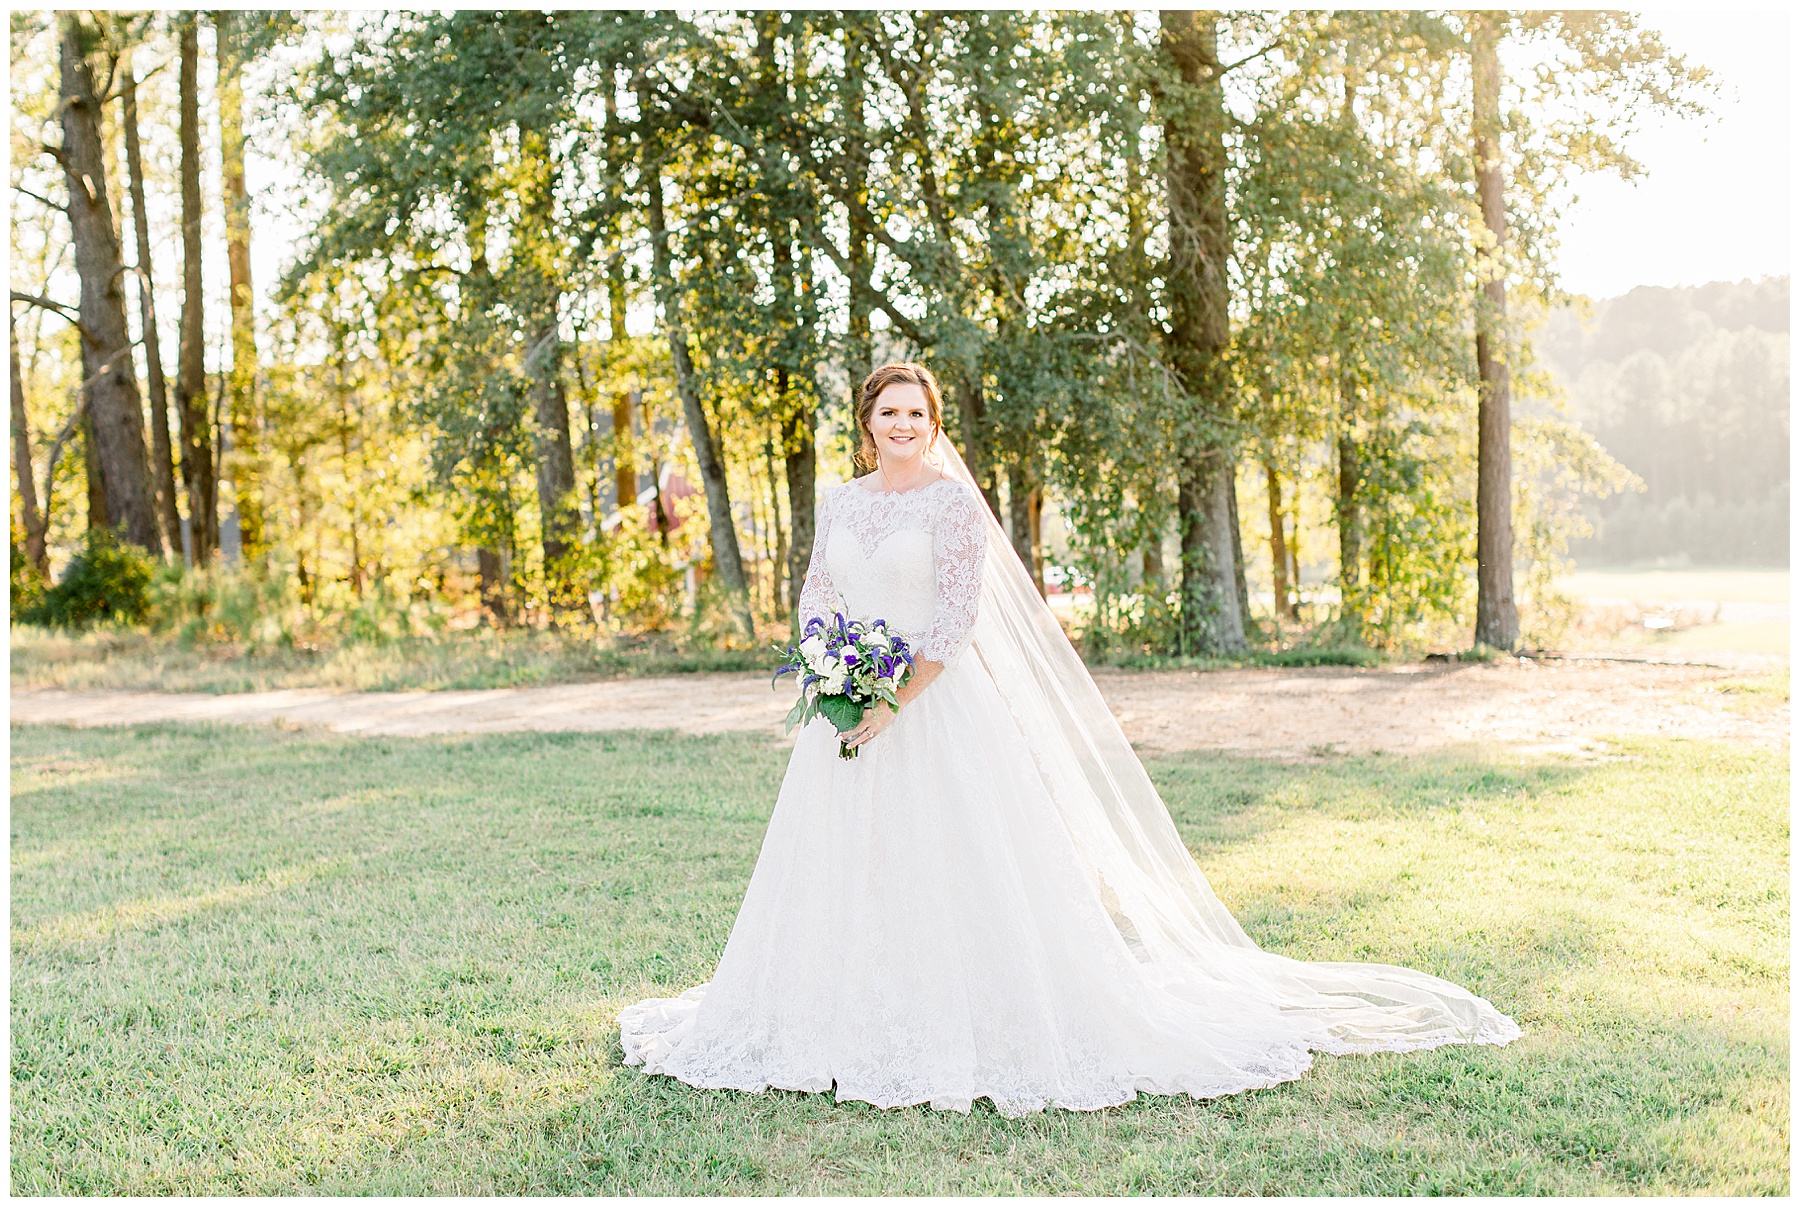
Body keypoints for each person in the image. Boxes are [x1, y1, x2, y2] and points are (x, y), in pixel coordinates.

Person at [619, 362, 1520, 1117]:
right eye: (887, 412)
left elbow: (958, 618)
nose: (901, 424)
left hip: (931, 708)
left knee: (956, 863)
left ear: (933, 425)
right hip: (845, 711)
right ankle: (839, 1014)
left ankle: (969, 1012)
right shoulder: (845, 501)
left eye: (916, 413)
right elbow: (818, 587)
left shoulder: (951, 508)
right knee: (843, 865)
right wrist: (830, 664)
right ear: (866, 422)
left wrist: (892, 699)